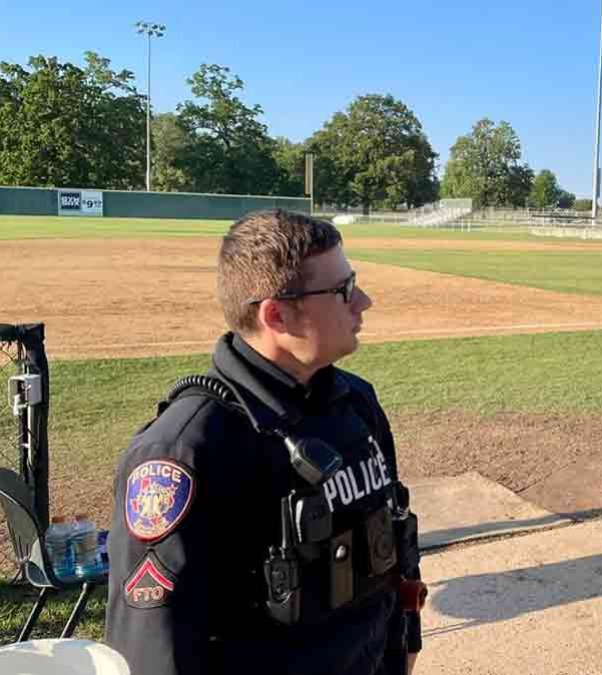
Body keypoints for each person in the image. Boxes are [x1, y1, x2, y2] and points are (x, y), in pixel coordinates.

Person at [104, 209, 424, 675]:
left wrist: (405, 638)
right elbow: (155, 647)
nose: (364, 301)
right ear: (277, 314)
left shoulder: (356, 402)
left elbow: (394, 534)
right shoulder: (185, 450)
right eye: (343, 290)